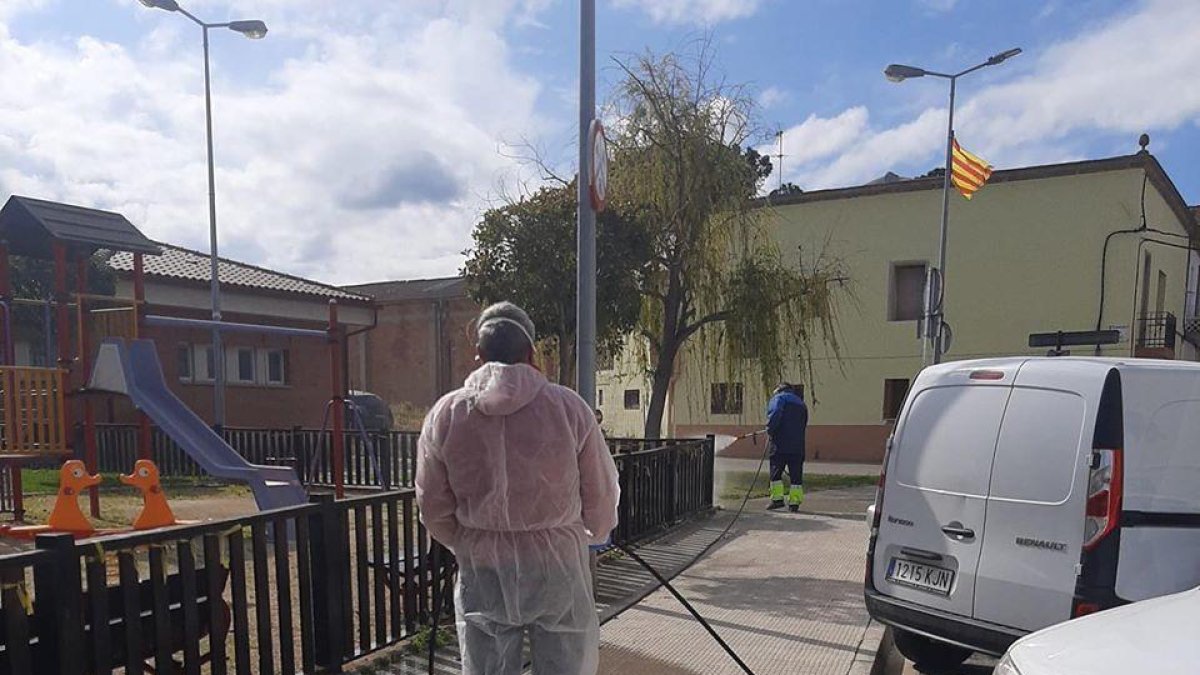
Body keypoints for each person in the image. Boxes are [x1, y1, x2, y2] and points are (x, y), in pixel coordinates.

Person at [415, 301, 620, 675]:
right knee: (566, 665)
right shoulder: (568, 409)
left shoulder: (446, 415)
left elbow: (432, 506)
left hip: (483, 563)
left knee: (487, 668)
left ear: (478, 355)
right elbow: (601, 494)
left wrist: (467, 540)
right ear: (531, 353)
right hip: (556, 562)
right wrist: (595, 533)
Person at [766, 382, 808, 512]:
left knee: (776, 472)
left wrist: (770, 429)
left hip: (780, 444)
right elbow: (804, 423)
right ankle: (794, 503)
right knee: (796, 475)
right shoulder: (801, 404)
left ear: (779, 390)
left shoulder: (779, 399)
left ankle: (777, 500)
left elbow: (775, 415)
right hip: (798, 445)